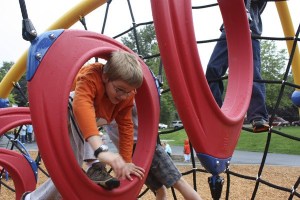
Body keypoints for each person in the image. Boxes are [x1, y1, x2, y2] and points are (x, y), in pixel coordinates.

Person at [22, 51, 145, 199]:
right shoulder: (91, 75)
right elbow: (82, 107)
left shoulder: (126, 96)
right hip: (61, 116)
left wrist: (126, 161)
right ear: (106, 77)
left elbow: (125, 126)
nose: (123, 96)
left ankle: (95, 167)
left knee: (70, 173)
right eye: (119, 89)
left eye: (129, 92)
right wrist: (101, 151)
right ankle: (95, 162)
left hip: (87, 123)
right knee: (70, 168)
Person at [103, 103, 202, 200]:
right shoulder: (103, 106)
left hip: (146, 147)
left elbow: (146, 108)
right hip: (130, 157)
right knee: (159, 190)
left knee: (179, 182)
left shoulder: (127, 99)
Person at [205, 0, 269, 133]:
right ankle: (216, 112)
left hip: (251, 30)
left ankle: (258, 116)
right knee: (213, 69)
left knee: (252, 72)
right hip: (229, 30)